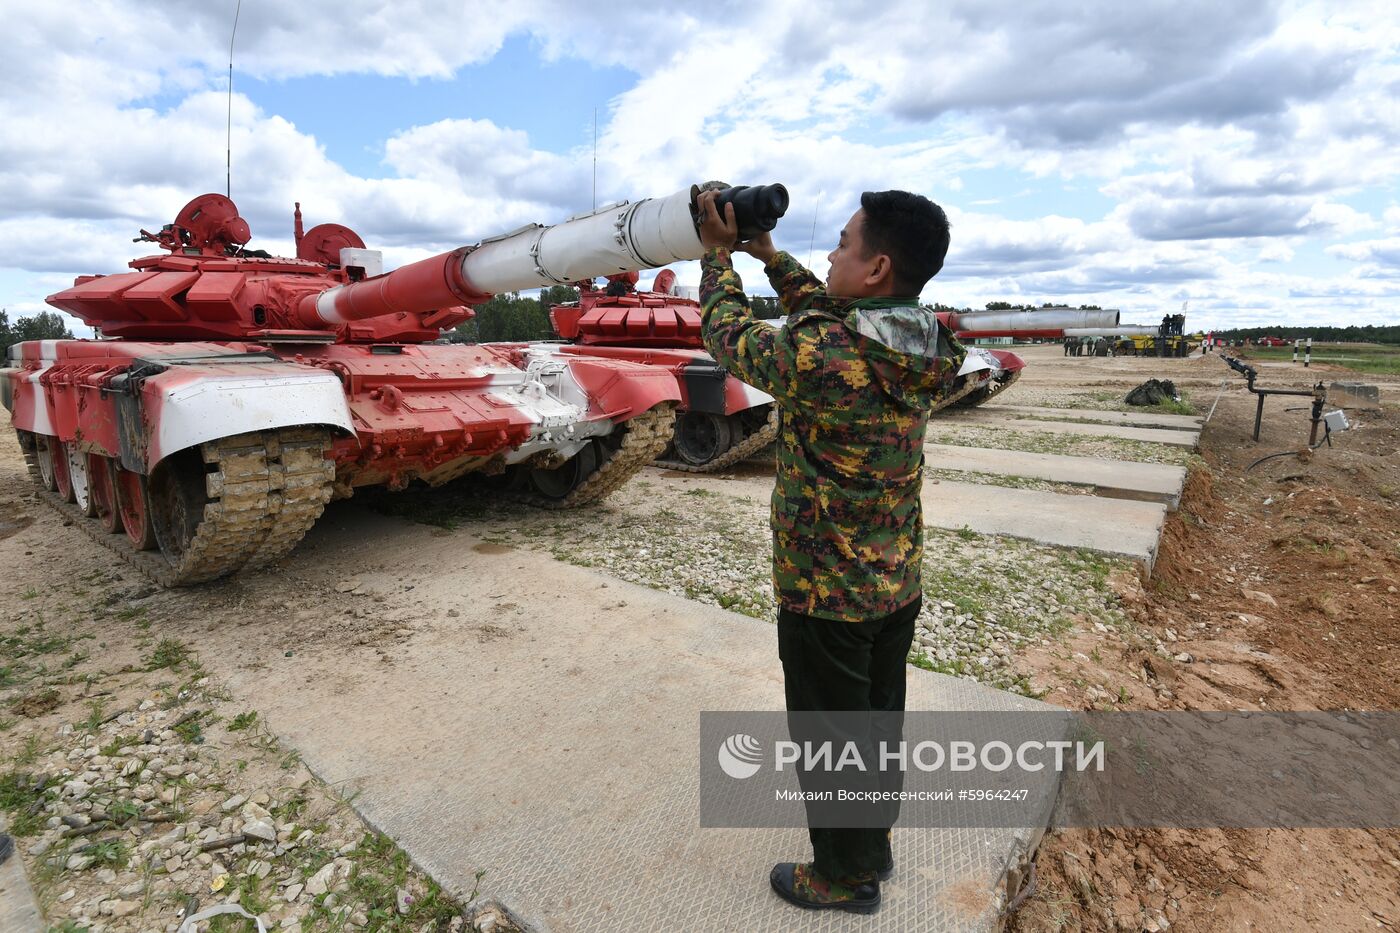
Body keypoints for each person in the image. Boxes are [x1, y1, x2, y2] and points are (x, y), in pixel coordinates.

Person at [695, 187, 966, 914]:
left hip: (826, 590)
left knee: (831, 739)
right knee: (875, 729)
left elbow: (727, 336)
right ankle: (867, 844)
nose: (830, 253)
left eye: (843, 244)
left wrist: (718, 257)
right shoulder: (922, 336)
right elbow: (834, 313)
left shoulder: (820, 352)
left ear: (876, 267)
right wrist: (773, 259)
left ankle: (845, 877)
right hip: (892, 582)